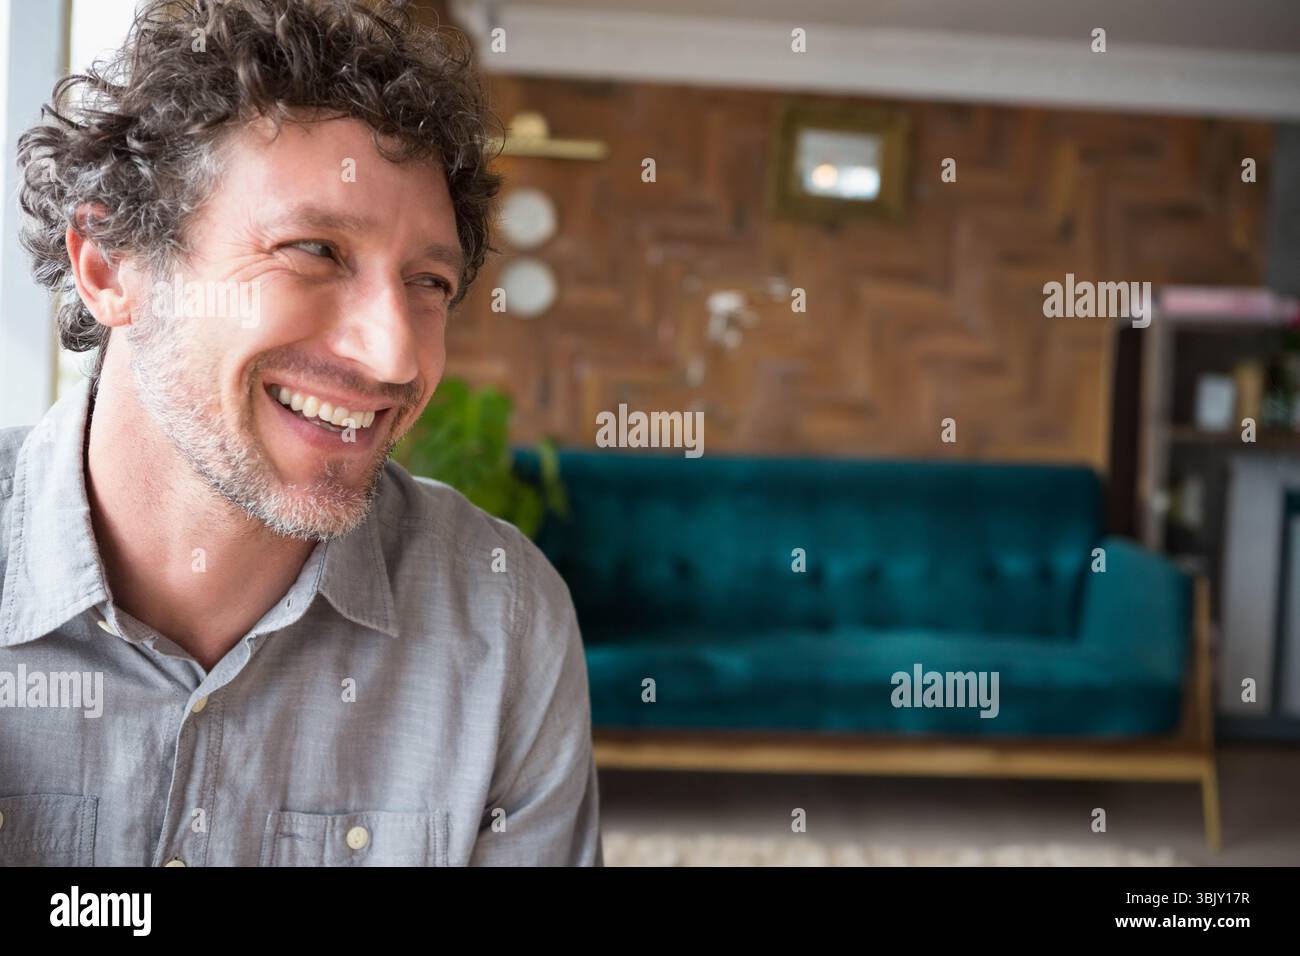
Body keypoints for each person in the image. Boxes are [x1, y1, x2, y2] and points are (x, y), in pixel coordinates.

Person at [0, 0, 601, 867]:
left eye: (429, 281)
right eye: (314, 250)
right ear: (109, 266)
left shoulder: (504, 627)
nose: (395, 354)